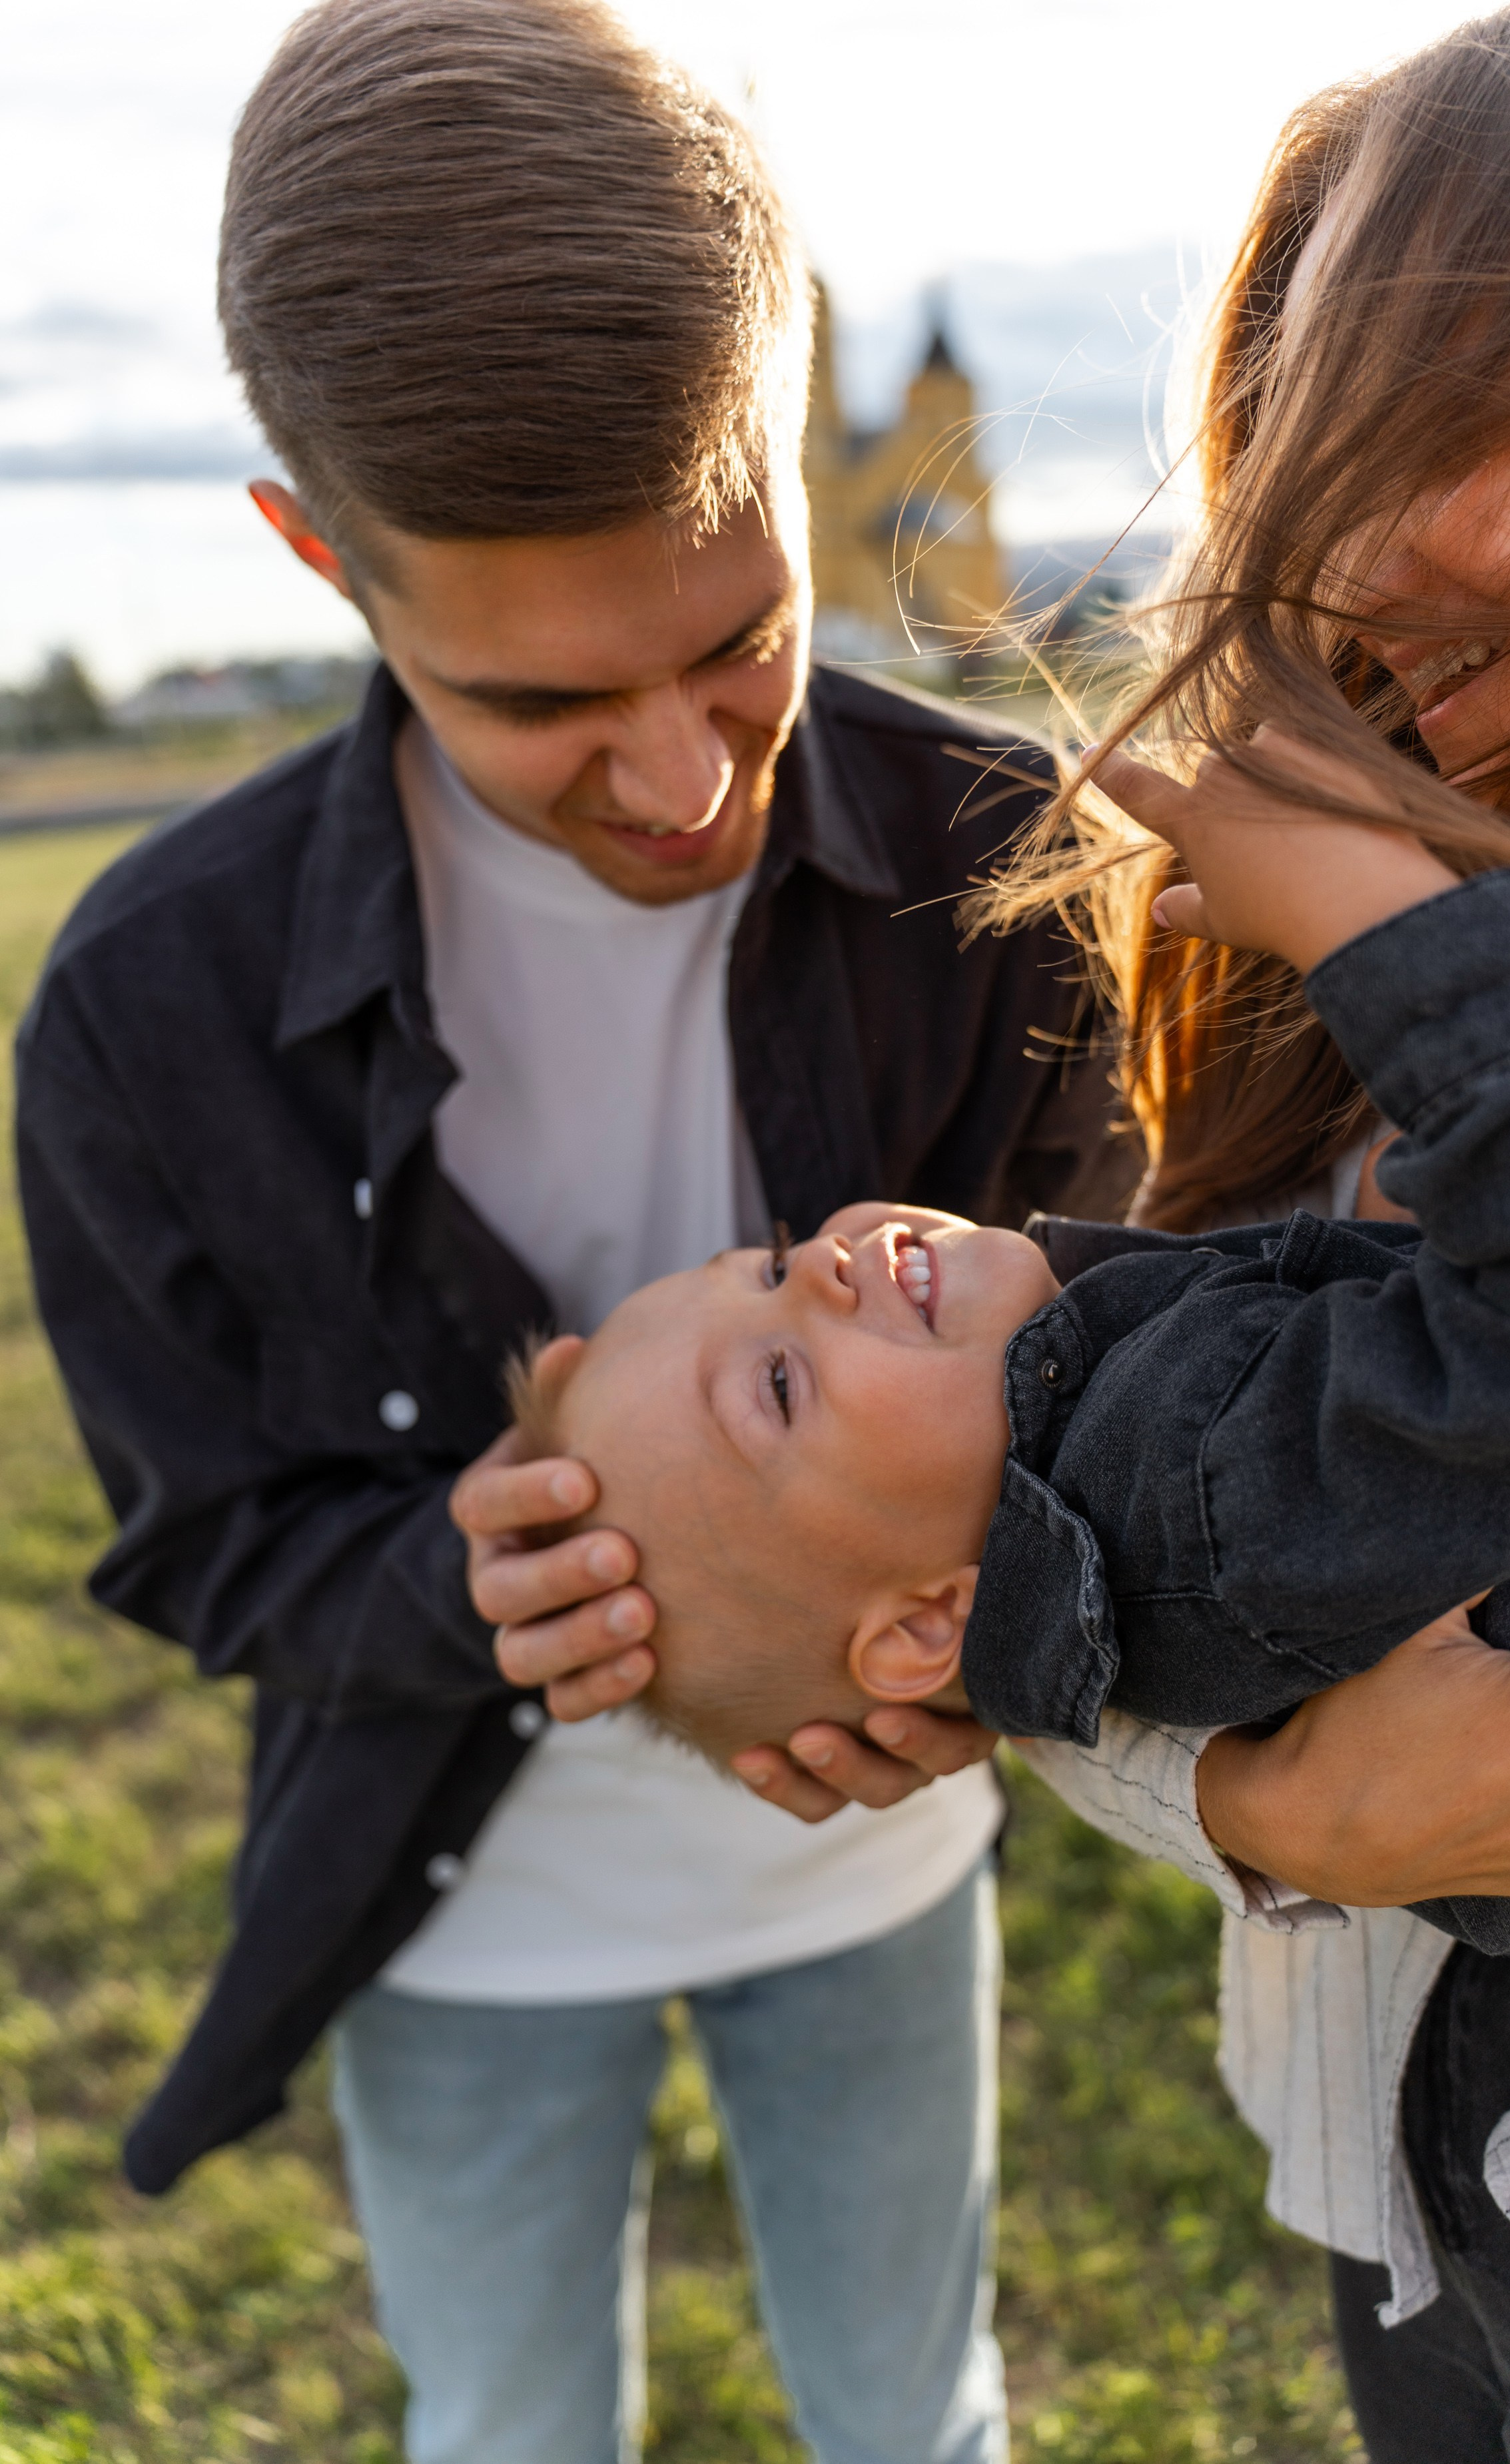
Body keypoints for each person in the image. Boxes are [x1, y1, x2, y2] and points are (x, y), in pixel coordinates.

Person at [496, 3, 1510, 2453]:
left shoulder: (1371, 900)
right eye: (1326, 449)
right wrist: (1279, 1808)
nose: (1361, 601)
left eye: (1459, 446)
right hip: (1404, 2184)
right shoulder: (1314, 889)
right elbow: (1162, 1577)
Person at [13, 5, 1122, 2461]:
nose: (684, 772)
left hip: (874, 1886)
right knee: (503, 2426)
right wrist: (459, 1586)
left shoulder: (1004, 861)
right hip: (453, 1918)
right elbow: (204, 1543)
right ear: (320, 553)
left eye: (740, 638)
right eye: (538, 700)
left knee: (915, 2412)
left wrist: (1013, 1652)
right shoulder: (143, 1002)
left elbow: (1135, 1382)